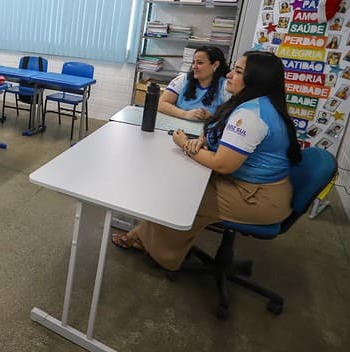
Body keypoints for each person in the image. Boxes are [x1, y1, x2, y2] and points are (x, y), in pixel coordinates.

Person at [112, 51, 302, 271]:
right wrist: (203, 140)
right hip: (251, 185)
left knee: (180, 198)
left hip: (258, 197)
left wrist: (184, 143)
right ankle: (145, 238)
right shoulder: (255, 103)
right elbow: (223, 133)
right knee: (178, 181)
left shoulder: (250, 114)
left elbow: (223, 164)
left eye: (238, 71)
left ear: (256, 79)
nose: (230, 74)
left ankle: (156, 250)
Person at [158, 46, 230, 121]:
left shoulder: (226, 86)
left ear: (215, 65)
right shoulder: (183, 79)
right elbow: (161, 104)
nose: (194, 67)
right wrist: (185, 114)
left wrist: (211, 117)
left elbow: (232, 118)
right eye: (193, 62)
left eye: (199, 63)